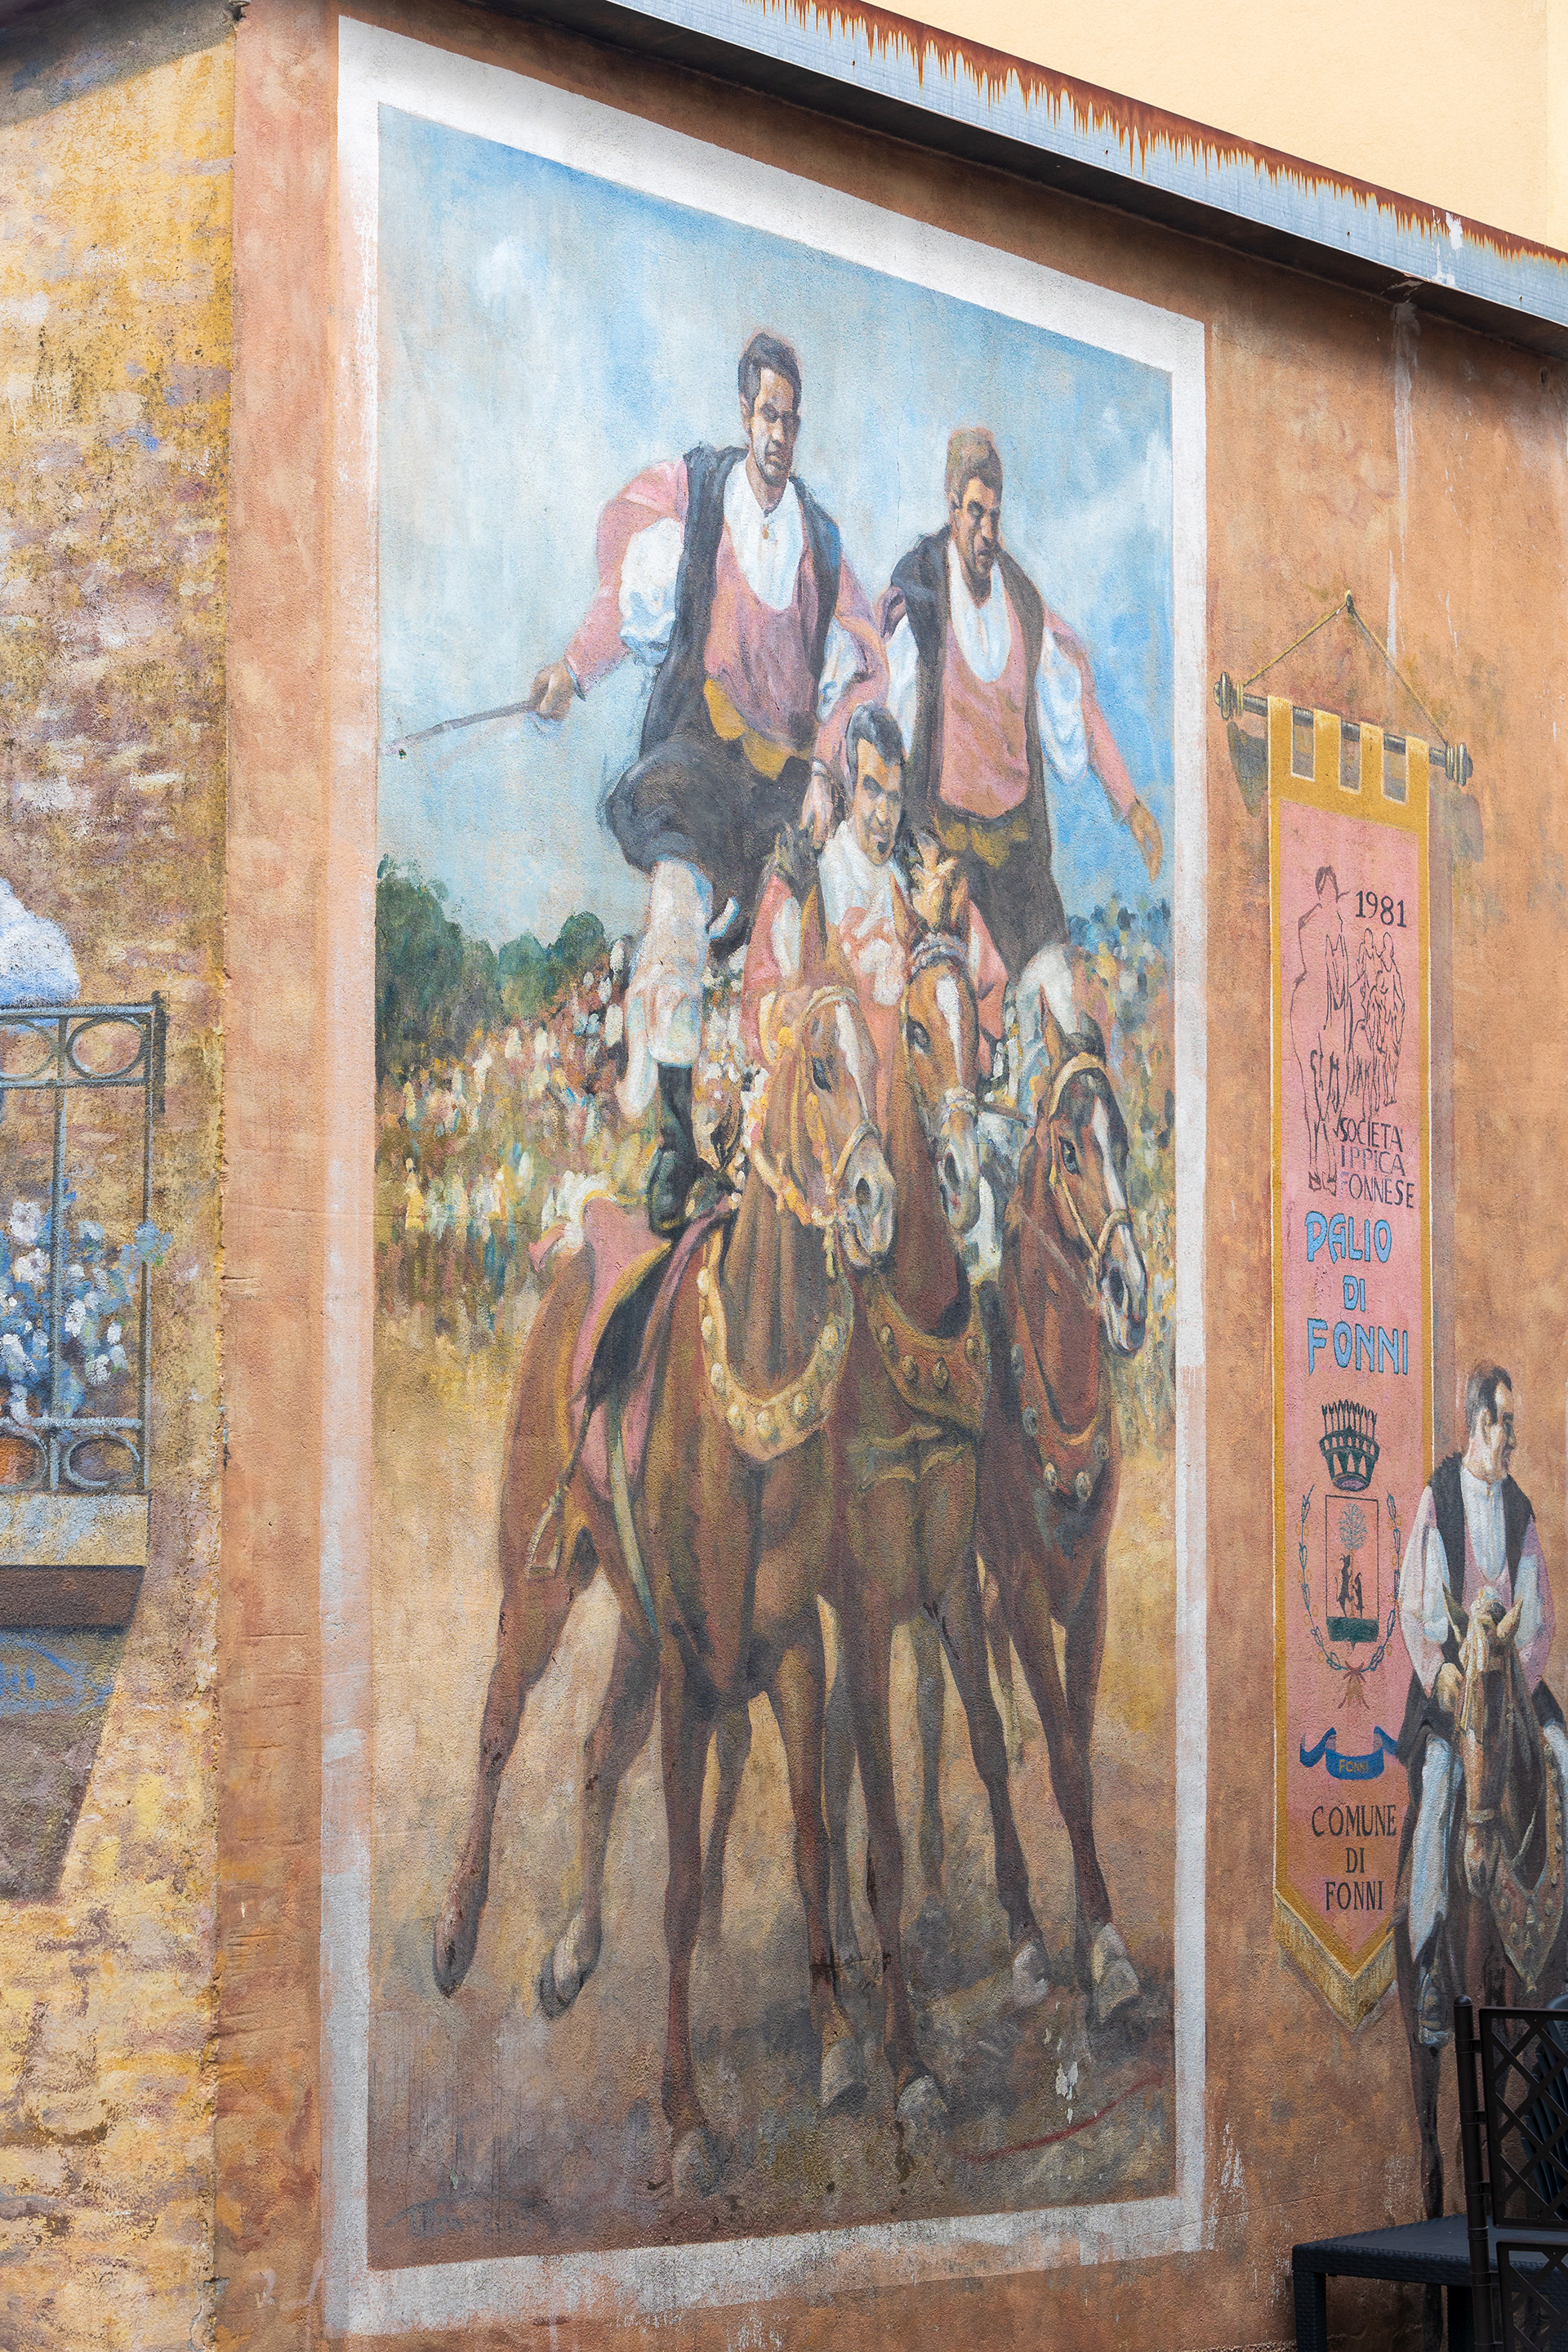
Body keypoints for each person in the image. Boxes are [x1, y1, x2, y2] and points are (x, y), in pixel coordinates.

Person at [525, 331, 886, 1232]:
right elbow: (627, 604)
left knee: (797, 947)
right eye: (768, 415)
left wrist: (829, 769)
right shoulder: (697, 499)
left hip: (779, 787)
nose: (779, 436)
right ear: (745, 413)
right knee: (676, 917)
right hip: (697, 754)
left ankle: (782, 1147)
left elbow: (863, 668)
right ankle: (676, 1145)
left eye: (791, 421)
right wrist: (572, 671)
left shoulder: (820, 541)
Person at [880, 427, 1162, 1116]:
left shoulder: (1026, 608)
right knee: (965, 1033)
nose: (987, 532)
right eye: (974, 513)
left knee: (1061, 1009)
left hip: (1018, 856)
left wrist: (1130, 805)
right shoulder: (920, 592)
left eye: (995, 516)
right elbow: (887, 725)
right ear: (951, 506)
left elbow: (1078, 710)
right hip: (946, 861)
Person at [1396, 1363, 1568, 2044]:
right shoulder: (1438, 1498)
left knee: (1562, 1755)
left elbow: (1540, 1621)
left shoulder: (1520, 1509)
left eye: (1513, 1425)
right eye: (1504, 1424)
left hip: (1511, 1688)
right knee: (1440, 1779)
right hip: (1451, 1689)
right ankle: (1429, 1963)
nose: (1512, 1439)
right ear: (1477, 1424)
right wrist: (1440, 1670)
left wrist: (1514, 1685)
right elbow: (1415, 1606)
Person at [742, 705, 1007, 1130]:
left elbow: (988, 984)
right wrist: (785, 1017)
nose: (884, 815)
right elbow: (757, 1002)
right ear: (848, 786)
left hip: (918, 1129)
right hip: (839, 1132)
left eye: (894, 797)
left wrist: (958, 1076)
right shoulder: (806, 875)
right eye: (872, 791)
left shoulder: (927, 881)